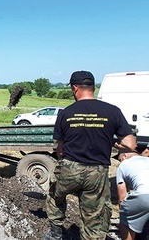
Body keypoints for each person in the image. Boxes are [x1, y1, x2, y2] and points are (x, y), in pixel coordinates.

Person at [45, 70, 136, 240]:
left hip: (70, 167)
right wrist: (113, 142)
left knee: (54, 195)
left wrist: (62, 161)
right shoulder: (112, 111)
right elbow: (130, 145)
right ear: (93, 88)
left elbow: (59, 148)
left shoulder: (66, 112)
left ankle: (55, 233)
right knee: (95, 214)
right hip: (97, 171)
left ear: (75, 88)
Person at [116, 148, 149, 240]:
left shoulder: (123, 165)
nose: (120, 161)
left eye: (119, 159)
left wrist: (123, 212)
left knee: (125, 221)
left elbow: (122, 198)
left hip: (144, 195)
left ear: (125, 155)